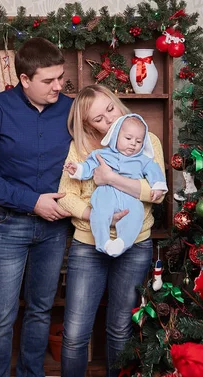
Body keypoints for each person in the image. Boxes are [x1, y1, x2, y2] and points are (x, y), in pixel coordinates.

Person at [0, 37, 73, 377]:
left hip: (56, 226)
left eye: (60, 77)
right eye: (48, 80)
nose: (58, 86)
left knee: (42, 310)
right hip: (9, 225)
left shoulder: (71, 108)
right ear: (24, 80)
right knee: (0, 317)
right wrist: (32, 202)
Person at [57, 84, 167, 377]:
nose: (109, 118)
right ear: (86, 124)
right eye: (98, 118)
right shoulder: (80, 148)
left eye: (110, 108)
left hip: (135, 246)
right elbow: (65, 195)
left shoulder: (145, 140)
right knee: (76, 333)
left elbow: (157, 192)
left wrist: (110, 178)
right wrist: (98, 217)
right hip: (87, 246)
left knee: (120, 328)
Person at [63, 113, 167, 257]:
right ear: (116, 135)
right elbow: (88, 166)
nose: (133, 144)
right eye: (128, 138)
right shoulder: (102, 154)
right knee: (99, 213)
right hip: (106, 194)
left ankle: (122, 242)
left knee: (136, 214)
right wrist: (77, 169)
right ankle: (103, 241)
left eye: (139, 141)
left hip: (130, 198)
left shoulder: (143, 160)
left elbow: (155, 172)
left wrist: (158, 186)